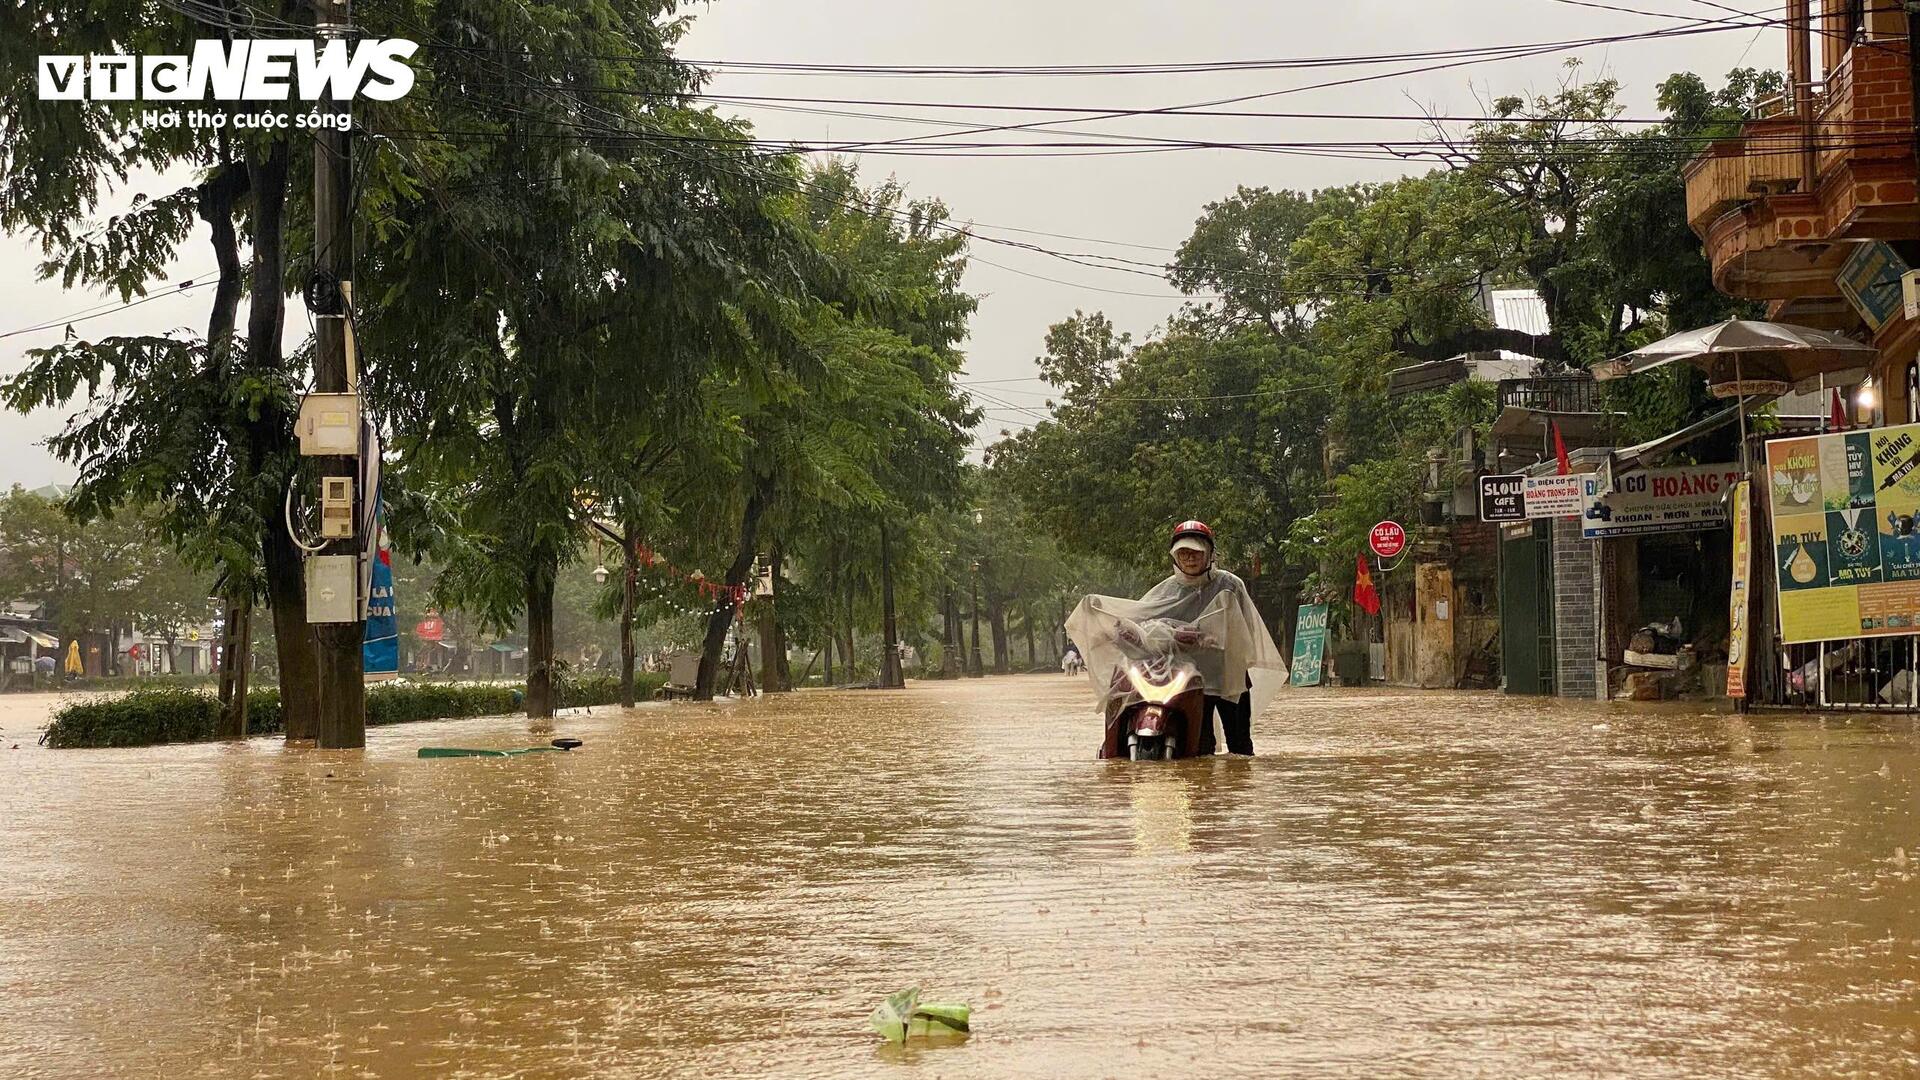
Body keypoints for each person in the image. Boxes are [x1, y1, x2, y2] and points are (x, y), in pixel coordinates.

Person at [1140, 519, 1274, 755]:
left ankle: (1238, 788)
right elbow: (1145, 624)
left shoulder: (1231, 584)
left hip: (1229, 675)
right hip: (1188, 678)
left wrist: (1218, 639)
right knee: (1199, 746)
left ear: (1210, 554)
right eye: (1184, 553)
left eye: (1196, 553)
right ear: (1175, 557)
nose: (1190, 558)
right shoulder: (1165, 591)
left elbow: (1247, 629)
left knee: (1240, 744)